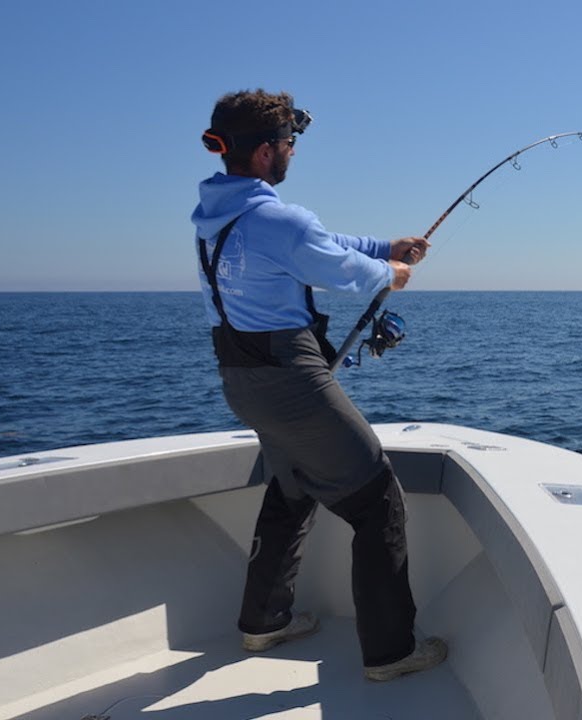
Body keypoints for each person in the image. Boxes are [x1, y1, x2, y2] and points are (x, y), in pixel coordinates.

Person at [190, 89, 446, 682]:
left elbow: (318, 247)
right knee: (377, 498)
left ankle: (264, 621)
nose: (293, 152)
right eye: (288, 142)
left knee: (292, 487)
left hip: (241, 378)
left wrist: (384, 246)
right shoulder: (280, 219)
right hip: (291, 380)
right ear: (264, 152)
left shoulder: (216, 218)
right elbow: (341, 269)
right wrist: (392, 272)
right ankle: (390, 652)